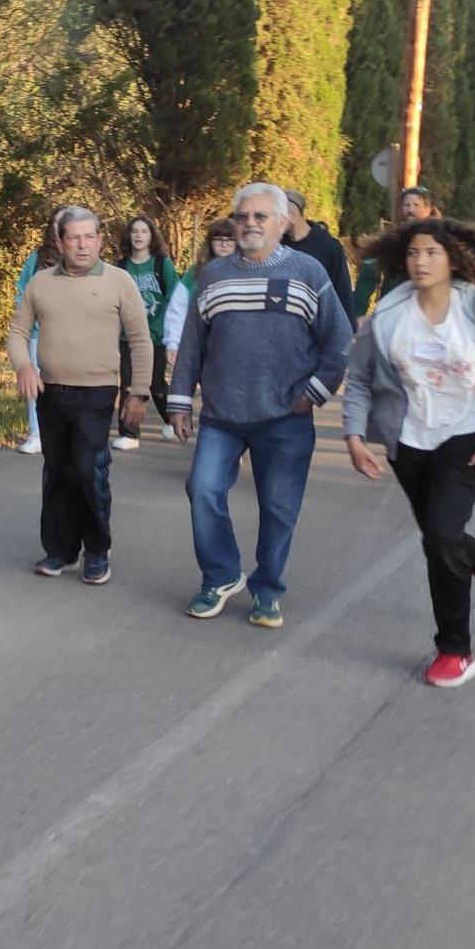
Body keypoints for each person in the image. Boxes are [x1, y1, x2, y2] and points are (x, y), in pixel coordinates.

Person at [343, 218, 475, 689]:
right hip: (408, 445)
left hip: (467, 437)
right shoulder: (389, 314)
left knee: (439, 538)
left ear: (453, 259)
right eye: (413, 253)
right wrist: (354, 436)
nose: (420, 261)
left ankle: (455, 650)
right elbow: (361, 379)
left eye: (431, 252)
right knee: (442, 537)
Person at [167, 183, 352, 629]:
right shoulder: (213, 276)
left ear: (283, 222)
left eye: (260, 216)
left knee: (278, 508)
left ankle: (267, 590)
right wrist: (179, 400)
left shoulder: (308, 272)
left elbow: (340, 341)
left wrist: (314, 394)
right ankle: (221, 574)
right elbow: (192, 342)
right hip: (222, 414)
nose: (249, 224)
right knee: (203, 488)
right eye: (242, 216)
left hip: (285, 417)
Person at [4, 208, 151, 585]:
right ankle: (61, 550)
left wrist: (139, 393)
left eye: (90, 236)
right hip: (50, 392)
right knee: (57, 472)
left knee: (87, 470)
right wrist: (24, 366)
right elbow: (18, 332)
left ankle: (97, 549)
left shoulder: (119, 282)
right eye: (74, 237)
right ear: (60, 242)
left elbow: (139, 339)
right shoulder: (40, 284)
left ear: (100, 240)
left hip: (98, 392)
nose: (83, 244)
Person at [114, 215, 178, 448]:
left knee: (156, 385)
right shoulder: (121, 267)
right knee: (128, 384)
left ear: (152, 236)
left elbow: (174, 295)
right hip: (127, 336)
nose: (139, 236)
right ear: (128, 236)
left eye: (144, 231)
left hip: (156, 335)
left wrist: (161, 326)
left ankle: (172, 419)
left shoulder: (162, 264)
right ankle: (129, 433)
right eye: (134, 231)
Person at [163, 219, 238, 381]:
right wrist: (173, 342)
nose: (224, 245)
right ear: (210, 242)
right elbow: (178, 308)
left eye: (229, 240)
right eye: (218, 239)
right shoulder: (195, 273)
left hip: (237, 348)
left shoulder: (246, 271)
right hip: (204, 348)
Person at [13, 218, 62, 454]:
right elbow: (23, 287)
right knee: (34, 382)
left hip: (66, 334)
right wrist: (24, 311)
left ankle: (60, 432)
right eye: (57, 222)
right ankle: (35, 434)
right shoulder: (38, 256)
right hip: (37, 332)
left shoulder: (80, 259)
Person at [282, 190, 356, 329]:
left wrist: (349, 333)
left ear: (292, 215)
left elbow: (342, 290)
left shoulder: (328, 246)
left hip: (318, 324)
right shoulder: (277, 245)